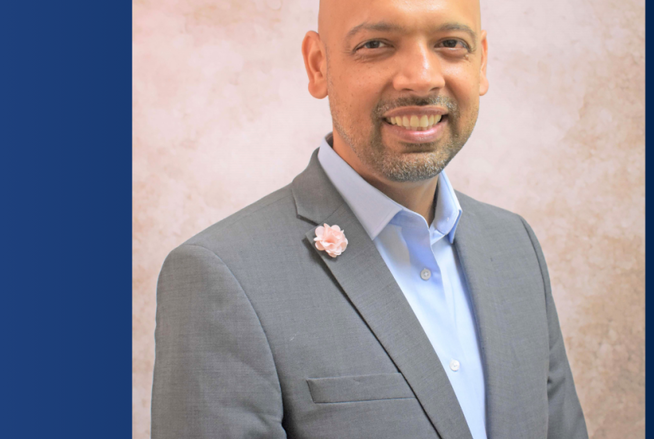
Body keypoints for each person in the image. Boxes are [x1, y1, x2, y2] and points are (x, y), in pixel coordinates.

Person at [151, 0, 588, 437]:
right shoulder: (222, 276)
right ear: (318, 66)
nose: (421, 77)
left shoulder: (514, 247)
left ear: (482, 62)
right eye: (376, 44)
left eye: (451, 43)